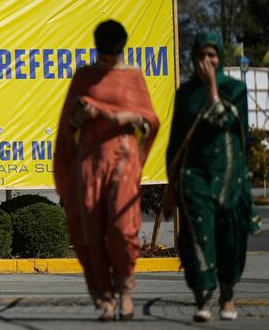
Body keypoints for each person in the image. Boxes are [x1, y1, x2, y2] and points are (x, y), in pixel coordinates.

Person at [54, 20, 159, 321]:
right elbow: (67, 125)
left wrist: (128, 116)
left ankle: (125, 289)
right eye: (105, 57)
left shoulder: (133, 76)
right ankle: (103, 297)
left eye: (113, 57)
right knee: (88, 228)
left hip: (123, 160)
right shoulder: (85, 76)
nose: (109, 63)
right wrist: (80, 116)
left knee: (121, 229)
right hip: (90, 162)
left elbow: (149, 119)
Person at [165, 32, 252, 322]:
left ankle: (227, 296)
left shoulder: (235, 89)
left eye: (212, 55)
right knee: (197, 237)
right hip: (195, 177)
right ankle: (203, 297)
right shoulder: (186, 94)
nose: (207, 61)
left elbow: (228, 122)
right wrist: (170, 187)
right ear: (193, 58)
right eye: (201, 55)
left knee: (229, 238)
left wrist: (213, 87)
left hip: (230, 176)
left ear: (220, 58)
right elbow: (176, 142)